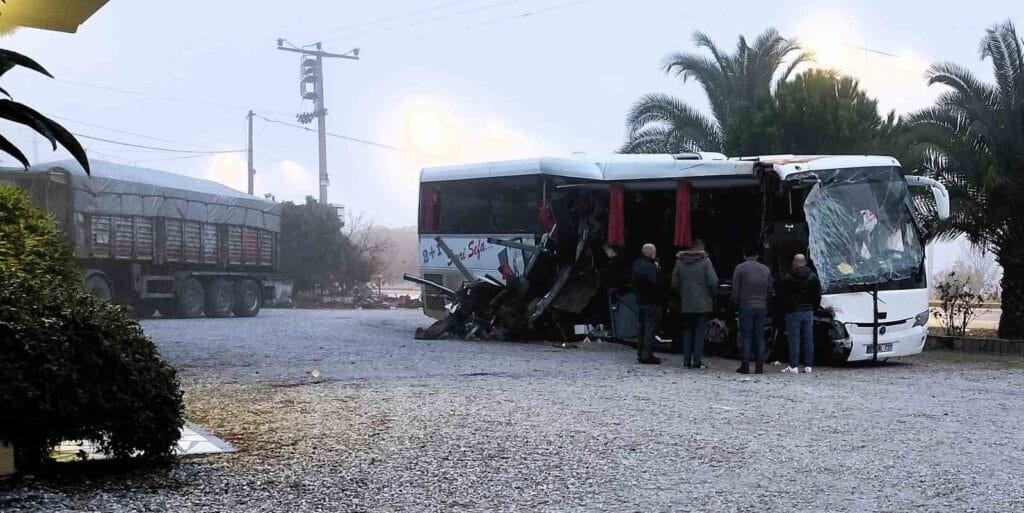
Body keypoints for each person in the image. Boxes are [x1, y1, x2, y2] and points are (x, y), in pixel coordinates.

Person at [671, 238, 718, 369]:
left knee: (688, 332)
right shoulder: (705, 261)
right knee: (699, 333)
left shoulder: (680, 262)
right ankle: (697, 361)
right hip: (702, 303)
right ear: (702, 247)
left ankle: (686, 360)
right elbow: (713, 282)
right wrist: (712, 294)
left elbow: (674, 282)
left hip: (686, 303)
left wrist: (683, 292)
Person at [778, 254, 821, 374]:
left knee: (794, 340)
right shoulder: (812, 276)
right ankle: (808, 366)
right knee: (808, 339)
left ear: (794, 262)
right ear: (805, 262)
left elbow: (782, 295)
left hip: (793, 312)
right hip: (808, 311)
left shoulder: (787, 277)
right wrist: (814, 308)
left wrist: (786, 308)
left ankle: (794, 366)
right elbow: (817, 295)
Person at [732, 245, 772, 374]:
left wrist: (736, 302)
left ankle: (745, 365)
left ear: (744, 255)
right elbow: (769, 290)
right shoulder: (765, 270)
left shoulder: (740, 268)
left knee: (746, 336)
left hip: (746, 306)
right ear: (758, 256)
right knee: (760, 336)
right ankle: (759, 366)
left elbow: (735, 289)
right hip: (761, 306)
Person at [631, 243, 663, 365]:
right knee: (650, 329)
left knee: (642, 328)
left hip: (640, 301)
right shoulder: (651, 267)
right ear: (649, 253)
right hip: (651, 302)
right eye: (654, 252)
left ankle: (640, 352)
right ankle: (647, 354)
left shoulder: (637, 264)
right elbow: (654, 285)